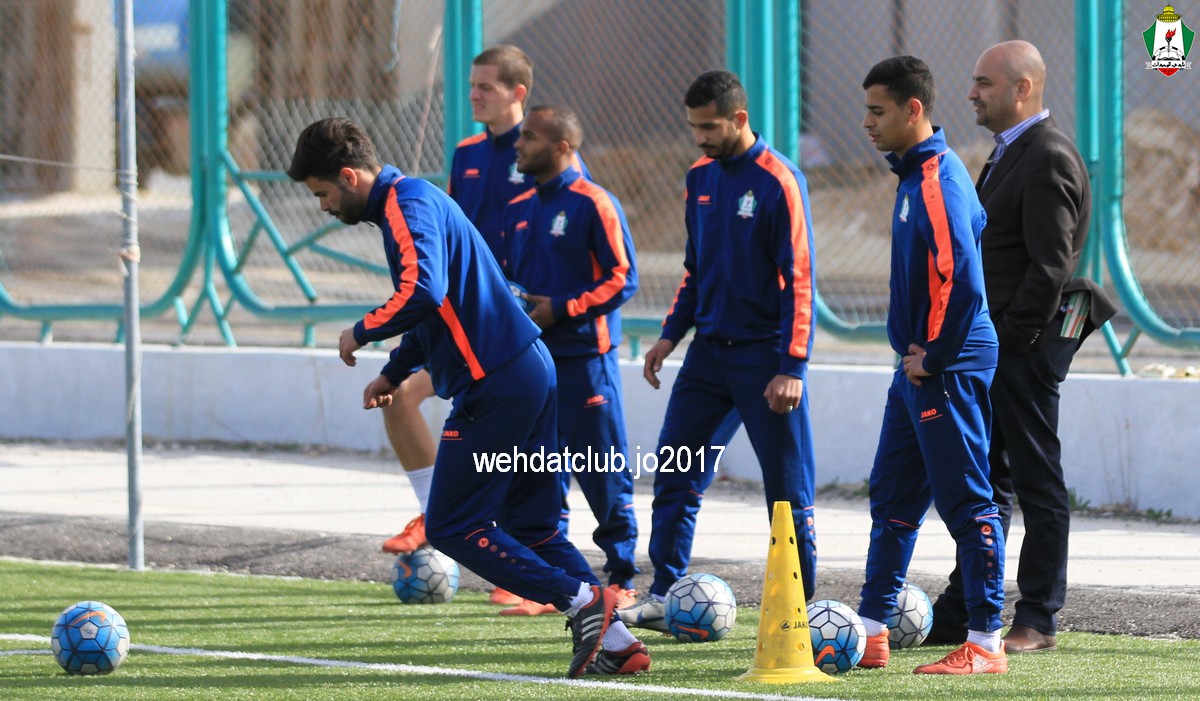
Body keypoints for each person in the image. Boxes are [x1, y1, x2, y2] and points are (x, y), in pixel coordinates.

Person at [287, 117, 647, 677]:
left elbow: (422, 291)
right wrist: (395, 371)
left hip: (498, 382)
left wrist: (362, 331)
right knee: (534, 527)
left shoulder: (405, 204)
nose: (324, 206)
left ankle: (585, 602)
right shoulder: (412, 201)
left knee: (453, 525)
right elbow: (437, 307)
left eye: (322, 193)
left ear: (349, 177)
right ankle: (620, 644)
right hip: (527, 369)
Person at [377, 47, 595, 590]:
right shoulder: (467, 153)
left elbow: (570, 227)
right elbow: (448, 233)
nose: (474, 95)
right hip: (466, 323)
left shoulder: (546, 149)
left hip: (519, 330)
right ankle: (436, 514)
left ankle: (559, 570)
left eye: (486, 87)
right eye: (471, 86)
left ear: (518, 93)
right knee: (399, 397)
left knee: (549, 459)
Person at [926, 40, 1116, 653]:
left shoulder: (1048, 155)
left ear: (1022, 88)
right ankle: (962, 607)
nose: (971, 94)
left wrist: (1007, 341)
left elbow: (1050, 266)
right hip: (1000, 347)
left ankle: (1037, 617)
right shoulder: (1012, 151)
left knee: (1036, 481)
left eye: (983, 83)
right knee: (988, 480)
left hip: (1021, 350)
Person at [618, 70, 818, 632]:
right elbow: (696, 270)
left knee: (787, 494)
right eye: (693, 127)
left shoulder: (779, 179)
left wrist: (792, 366)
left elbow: (799, 278)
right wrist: (669, 335)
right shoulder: (699, 177)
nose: (700, 137)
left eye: (709, 127)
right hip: (707, 358)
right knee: (675, 474)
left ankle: (797, 614)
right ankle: (664, 593)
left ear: (739, 118)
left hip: (765, 360)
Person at [853, 55, 1007, 675]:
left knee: (968, 503)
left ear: (913, 109)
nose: (867, 122)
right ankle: (870, 630)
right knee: (892, 497)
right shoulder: (913, 177)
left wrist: (936, 356)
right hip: (918, 363)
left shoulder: (938, 179)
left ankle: (986, 641)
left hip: (945, 363)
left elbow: (961, 280)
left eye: (877, 111)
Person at [502, 105, 640, 616]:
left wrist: (562, 308)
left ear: (562, 147)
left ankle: (622, 578)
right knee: (539, 470)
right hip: (534, 361)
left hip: (585, 360)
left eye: (529, 137)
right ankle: (556, 584)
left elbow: (623, 278)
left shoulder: (594, 202)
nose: (518, 145)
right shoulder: (520, 207)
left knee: (602, 468)